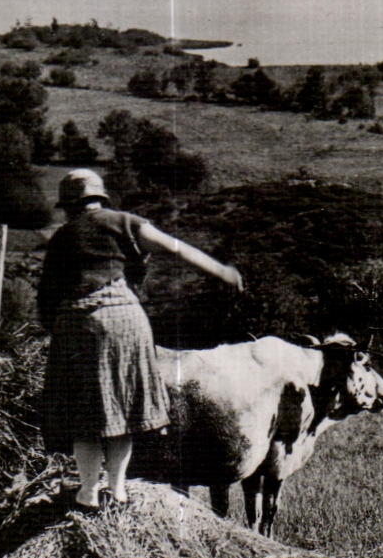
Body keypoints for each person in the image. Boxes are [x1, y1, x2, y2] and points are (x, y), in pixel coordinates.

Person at [37, 168, 243, 511]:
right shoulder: (124, 222)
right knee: (123, 407)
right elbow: (175, 249)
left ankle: (88, 491)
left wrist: (54, 329)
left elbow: (46, 297)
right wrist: (220, 271)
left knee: (84, 415)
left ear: (69, 205)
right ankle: (117, 491)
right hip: (126, 320)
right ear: (101, 198)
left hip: (78, 324)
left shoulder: (62, 237)